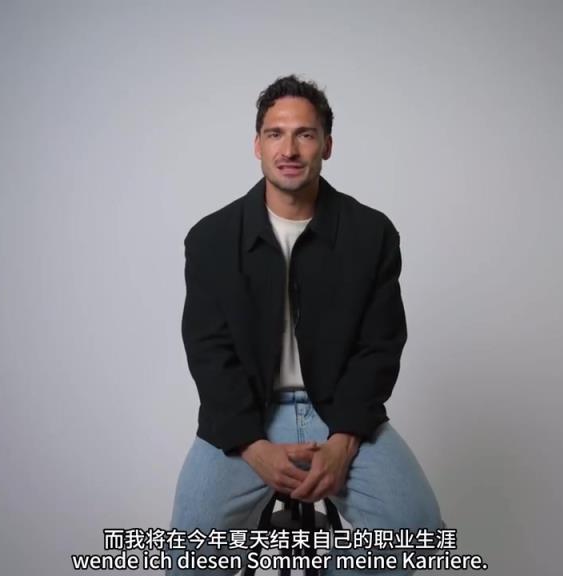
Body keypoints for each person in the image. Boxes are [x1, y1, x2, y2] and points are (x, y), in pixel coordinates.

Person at [169, 75, 442, 575]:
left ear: (327, 146)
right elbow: (209, 352)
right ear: (257, 145)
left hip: (340, 412)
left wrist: (344, 440)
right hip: (246, 417)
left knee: (418, 534)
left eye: (305, 134)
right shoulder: (211, 239)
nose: (289, 149)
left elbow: (379, 347)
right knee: (189, 552)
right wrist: (252, 446)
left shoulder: (371, 234)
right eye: (275, 134)